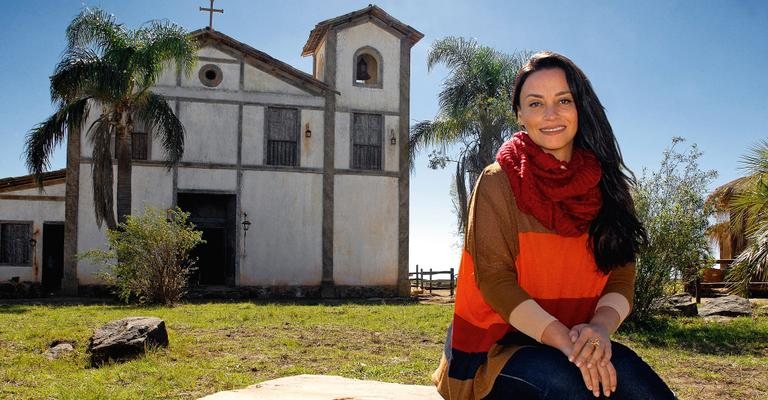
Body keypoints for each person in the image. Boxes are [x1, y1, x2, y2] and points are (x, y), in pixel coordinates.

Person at [431, 51, 676, 400]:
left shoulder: (608, 186)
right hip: (495, 349)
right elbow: (495, 281)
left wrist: (599, 330)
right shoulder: (497, 182)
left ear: (581, 108)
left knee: (647, 392)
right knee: (573, 392)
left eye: (564, 100)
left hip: (579, 337)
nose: (550, 114)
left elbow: (621, 275)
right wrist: (567, 342)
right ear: (520, 114)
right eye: (535, 103)